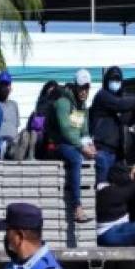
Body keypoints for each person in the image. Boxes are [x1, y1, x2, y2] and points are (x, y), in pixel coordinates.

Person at [44, 69, 96, 224]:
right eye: (81, 87)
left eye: (87, 88)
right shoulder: (63, 103)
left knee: (97, 157)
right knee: (75, 158)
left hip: (72, 145)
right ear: (75, 86)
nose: (84, 91)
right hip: (55, 145)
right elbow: (66, 130)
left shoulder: (82, 106)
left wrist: (90, 145)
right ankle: (77, 207)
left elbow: (84, 131)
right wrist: (82, 147)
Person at [89, 66, 135, 182]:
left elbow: (128, 121)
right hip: (102, 150)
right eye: (112, 79)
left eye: (118, 80)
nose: (115, 82)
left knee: (122, 182)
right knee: (102, 187)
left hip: (116, 153)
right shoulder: (102, 96)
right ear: (106, 81)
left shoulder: (117, 100)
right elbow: (120, 104)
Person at [95, 163, 135, 246]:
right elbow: (130, 189)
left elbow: (126, 187)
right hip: (109, 234)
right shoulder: (109, 193)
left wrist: (133, 173)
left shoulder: (103, 188)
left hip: (116, 230)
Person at [0, 71, 20, 157]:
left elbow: (16, 126)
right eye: (2, 84)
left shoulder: (14, 105)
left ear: (10, 87)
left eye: (7, 85)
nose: (5, 87)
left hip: (13, 141)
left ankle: (15, 150)